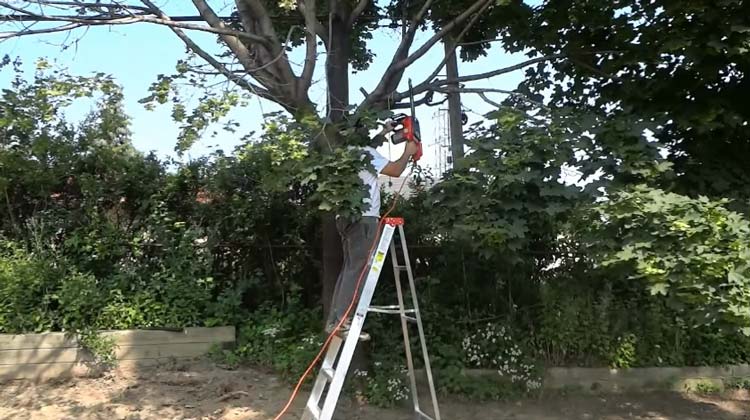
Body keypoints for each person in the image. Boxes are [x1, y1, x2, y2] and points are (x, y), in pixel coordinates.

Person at [325, 121, 420, 339]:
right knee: (358, 270)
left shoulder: (344, 154)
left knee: (349, 268)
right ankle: (342, 321)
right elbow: (396, 171)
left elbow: (370, 145)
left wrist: (385, 132)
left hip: (345, 217)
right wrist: (408, 151)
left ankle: (335, 319)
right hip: (364, 218)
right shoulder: (365, 153)